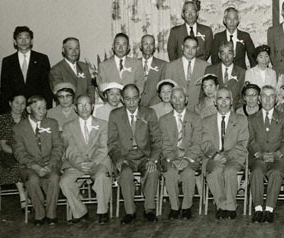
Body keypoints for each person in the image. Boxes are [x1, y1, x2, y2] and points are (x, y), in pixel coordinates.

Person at [190, 87, 249, 219]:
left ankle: (231, 206)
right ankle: (222, 205)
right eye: (220, 98)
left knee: (230, 171)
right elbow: (204, 143)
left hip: (234, 157)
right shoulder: (206, 121)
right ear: (215, 102)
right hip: (213, 157)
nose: (223, 102)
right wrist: (215, 155)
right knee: (215, 172)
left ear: (232, 101)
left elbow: (243, 143)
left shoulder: (241, 119)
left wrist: (227, 156)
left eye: (227, 98)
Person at [107, 84, 161, 224]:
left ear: (140, 98)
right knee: (125, 173)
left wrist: (153, 159)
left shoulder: (149, 113)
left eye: (134, 98)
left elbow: (157, 141)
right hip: (126, 157)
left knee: (152, 171)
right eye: (127, 99)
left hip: (145, 156)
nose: (131, 102)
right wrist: (119, 161)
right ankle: (130, 212)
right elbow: (112, 143)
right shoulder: (115, 115)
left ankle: (149, 209)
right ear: (122, 100)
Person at [59, 94, 111, 224]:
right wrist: (79, 164)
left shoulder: (103, 124)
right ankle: (80, 212)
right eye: (80, 105)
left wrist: (93, 162)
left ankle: (103, 211)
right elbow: (70, 149)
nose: (84, 108)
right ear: (75, 108)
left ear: (92, 107)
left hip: (98, 161)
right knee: (65, 182)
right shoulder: (68, 127)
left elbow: (103, 148)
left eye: (87, 104)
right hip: (76, 163)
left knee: (102, 177)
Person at [13, 95, 64, 224]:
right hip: (29, 166)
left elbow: (58, 147)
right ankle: (40, 214)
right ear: (29, 109)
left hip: (50, 164)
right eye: (38, 108)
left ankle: (51, 214)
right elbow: (19, 153)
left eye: (45, 108)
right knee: (33, 180)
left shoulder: (52, 123)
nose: (43, 111)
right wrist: (35, 166)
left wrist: (50, 165)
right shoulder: (19, 128)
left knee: (54, 178)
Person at [247, 85, 284, 222]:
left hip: (278, 158)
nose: (267, 99)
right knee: (256, 172)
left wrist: (277, 154)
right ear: (259, 99)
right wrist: (259, 154)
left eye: (271, 96)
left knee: (276, 173)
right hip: (258, 158)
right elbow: (250, 141)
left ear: (276, 99)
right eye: (264, 96)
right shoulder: (252, 118)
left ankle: (270, 210)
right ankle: (258, 209)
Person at [159, 87, 202, 219]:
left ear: (186, 99)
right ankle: (174, 207)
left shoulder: (196, 118)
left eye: (181, 97)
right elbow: (164, 144)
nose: (178, 101)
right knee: (170, 173)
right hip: (171, 158)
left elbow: (197, 143)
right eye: (174, 98)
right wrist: (173, 159)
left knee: (188, 173)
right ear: (170, 100)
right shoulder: (164, 120)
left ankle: (186, 206)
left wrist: (187, 159)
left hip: (190, 157)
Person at [0, 25, 53, 107]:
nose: (23, 41)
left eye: (27, 38)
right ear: (15, 41)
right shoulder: (8, 61)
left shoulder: (42, 59)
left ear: (31, 41)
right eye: (20, 38)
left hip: (37, 105)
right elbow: (5, 89)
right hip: (16, 107)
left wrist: (47, 107)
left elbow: (47, 87)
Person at [0, 93, 28, 212]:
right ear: (10, 103)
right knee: (17, 164)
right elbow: (3, 145)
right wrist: (17, 153)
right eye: (16, 103)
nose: (19, 106)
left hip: (27, 151)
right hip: (9, 152)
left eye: (22, 103)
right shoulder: (4, 119)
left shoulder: (28, 118)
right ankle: (23, 196)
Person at [160, 36, 209, 112]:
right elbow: (167, 90)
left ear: (197, 49)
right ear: (182, 47)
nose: (190, 51)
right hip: (176, 109)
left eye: (193, 48)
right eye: (187, 47)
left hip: (198, 111)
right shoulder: (170, 66)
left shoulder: (206, 66)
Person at [48, 36, 96, 103]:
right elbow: (60, 94)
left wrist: (89, 104)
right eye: (70, 48)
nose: (74, 52)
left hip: (85, 108)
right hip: (67, 109)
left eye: (77, 48)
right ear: (63, 50)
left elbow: (90, 88)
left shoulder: (84, 67)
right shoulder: (56, 70)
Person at [204, 40, 246, 111]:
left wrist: (236, 109)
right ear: (219, 55)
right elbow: (203, 94)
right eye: (223, 54)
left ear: (234, 53)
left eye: (229, 53)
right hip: (213, 111)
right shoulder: (210, 70)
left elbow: (242, 97)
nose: (227, 57)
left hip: (234, 111)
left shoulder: (242, 72)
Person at [138, 34, 167, 106]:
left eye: (151, 44)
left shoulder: (163, 65)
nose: (148, 47)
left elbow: (163, 89)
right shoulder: (133, 64)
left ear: (155, 47)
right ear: (140, 46)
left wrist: (153, 104)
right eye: (145, 44)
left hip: (155, 106)